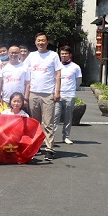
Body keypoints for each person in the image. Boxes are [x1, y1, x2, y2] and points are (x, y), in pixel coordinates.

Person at [24, 32, 63, 161]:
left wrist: (57, 92)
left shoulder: (53, 55)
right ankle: (36, 146)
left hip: (48, 94)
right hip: (33, 93)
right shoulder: (31, 56)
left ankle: (49, 148)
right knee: (35, 123)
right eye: (38, 40)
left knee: (48, 123)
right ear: (35, 42)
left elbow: (58, 74)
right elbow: (24, 71)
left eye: (43, 40)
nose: (40, 43)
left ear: (47, 42)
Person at [53, 45, 83, 145]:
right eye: (62, 54)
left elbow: (78, 81)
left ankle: (66, 137)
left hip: (70, 95)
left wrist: (72, 89)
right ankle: (51, 136)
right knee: (55, 116)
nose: (64, 55)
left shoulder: (75, 67)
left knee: (68, 117)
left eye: (66, 54)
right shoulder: (56, 66)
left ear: (70, 55)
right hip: (58, 95)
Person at [0, 45, 31, 113]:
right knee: (5, 119)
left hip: (19, 101)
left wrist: (25, 99)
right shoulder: (2, 67)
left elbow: (27, 84)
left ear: (19, 54)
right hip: (5, 100)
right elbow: (0, 83)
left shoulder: (25, 67)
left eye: (16, 53)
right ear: (8, 53)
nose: (14, 55)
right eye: (12, 53)